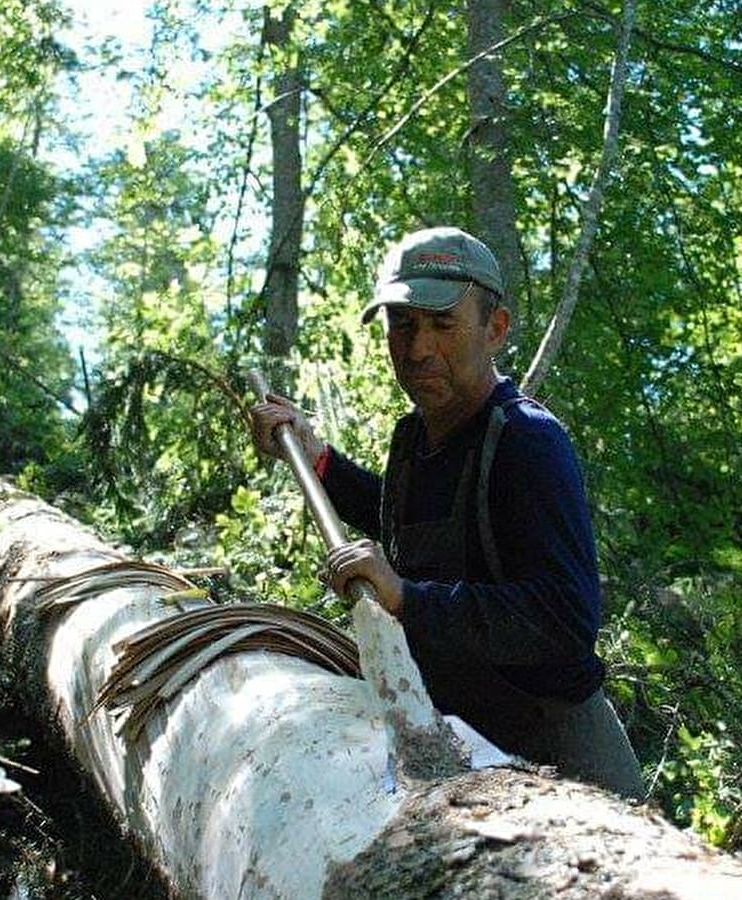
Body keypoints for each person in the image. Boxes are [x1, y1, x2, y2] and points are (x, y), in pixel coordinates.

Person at [250, 226, 644, 799]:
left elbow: (565, 620)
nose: (417, 350)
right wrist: (320, 462)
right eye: (402, 326)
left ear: (495, 329)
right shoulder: (413, 439)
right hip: (461, 742)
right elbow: (398, 521)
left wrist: (408, 598)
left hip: (563, 753)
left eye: (442, 325)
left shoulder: (527, 441)